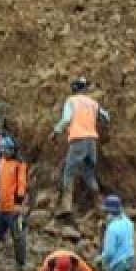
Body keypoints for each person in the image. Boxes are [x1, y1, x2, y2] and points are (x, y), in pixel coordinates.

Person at [50, 77, 110, 213]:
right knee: (89, 173)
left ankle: (66, 206)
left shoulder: (71, 101)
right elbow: (106, 117)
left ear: (74, 89)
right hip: (92, 141)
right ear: (84, 88)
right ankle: (99, 205)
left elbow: (66, 119)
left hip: (78, 140)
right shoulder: (93, 103)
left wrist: (55, 131)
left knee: (69, 172)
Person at [0, 136, 28, 271]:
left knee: (18, 236)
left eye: (6, 150)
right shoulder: (2, 162)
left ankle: (20, 264)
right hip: (1, 207)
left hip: (13, 207)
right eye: (2, 150)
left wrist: (19, 204)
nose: (3, 152)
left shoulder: (20, 164)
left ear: (12, 150)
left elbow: (22, 185)